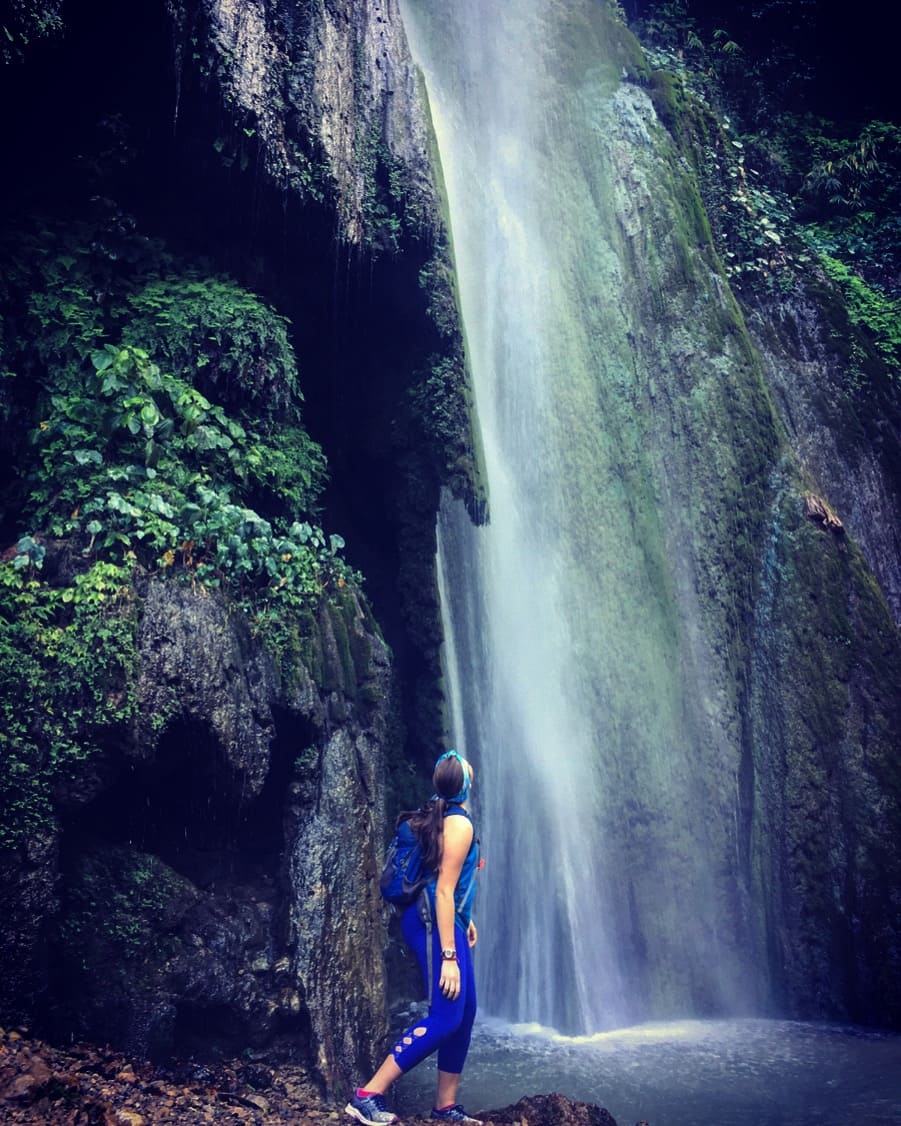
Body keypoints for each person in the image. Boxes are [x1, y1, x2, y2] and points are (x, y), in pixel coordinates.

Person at [346, 750, 482, 1126]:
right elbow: (441, 890)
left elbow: (448, 886)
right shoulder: (459, 824)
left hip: (444, 920)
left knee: (465, 1012)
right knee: (445, 1016)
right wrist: (450, 957)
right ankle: (368, 1094)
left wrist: (464, 918)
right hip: (431, 921)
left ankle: (445, 1106)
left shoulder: (441, 811)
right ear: (466, 784)